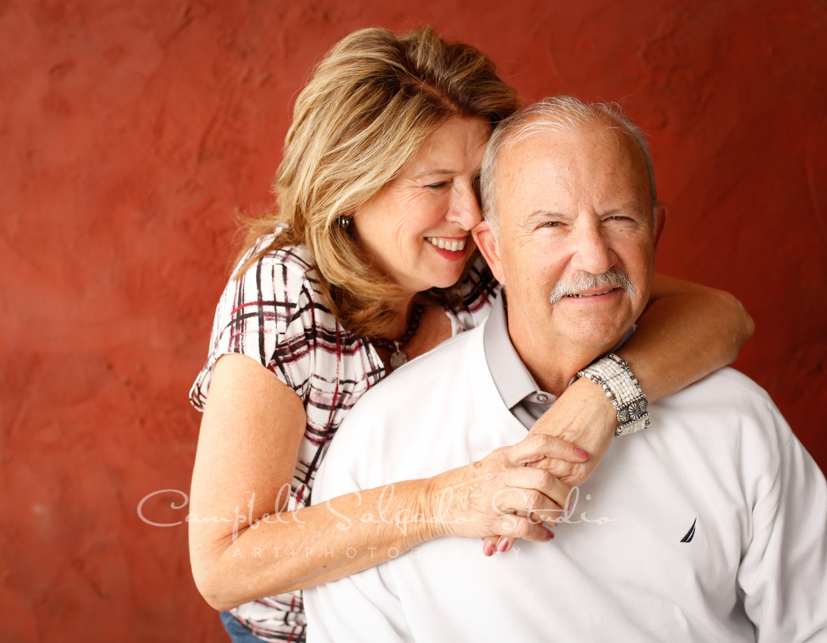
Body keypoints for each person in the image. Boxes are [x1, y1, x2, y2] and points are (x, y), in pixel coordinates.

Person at [188, 28, 755, 643]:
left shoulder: (488, 256)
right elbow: (222, 564)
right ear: (350, 184)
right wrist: (441, 502)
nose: (470, 214)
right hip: (301, 626)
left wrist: (600, 399)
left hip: (452, 597)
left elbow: (723, 316)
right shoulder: (284, 295)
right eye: (436, 185)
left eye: (477, 180)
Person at [304, 97, 827, 642]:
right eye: (552, 224)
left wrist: (604, 396)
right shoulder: (380, 441)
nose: (596, 258)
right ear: (494, 250)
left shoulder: (738, 421)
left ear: (656, 231)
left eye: (619, 219)